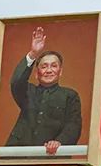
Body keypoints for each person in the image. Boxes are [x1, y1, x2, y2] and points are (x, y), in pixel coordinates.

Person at [6, 27, 82, 155]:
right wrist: (33, 54)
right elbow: (16, 81)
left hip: (50, 156)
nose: (49, 70)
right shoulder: (28, 92)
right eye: (44, 66)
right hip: (18, 156)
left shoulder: (70, 95)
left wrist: (59, 142)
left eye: (54, 66)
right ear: (37, 73)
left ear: (60, 72)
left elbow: (73, 125)